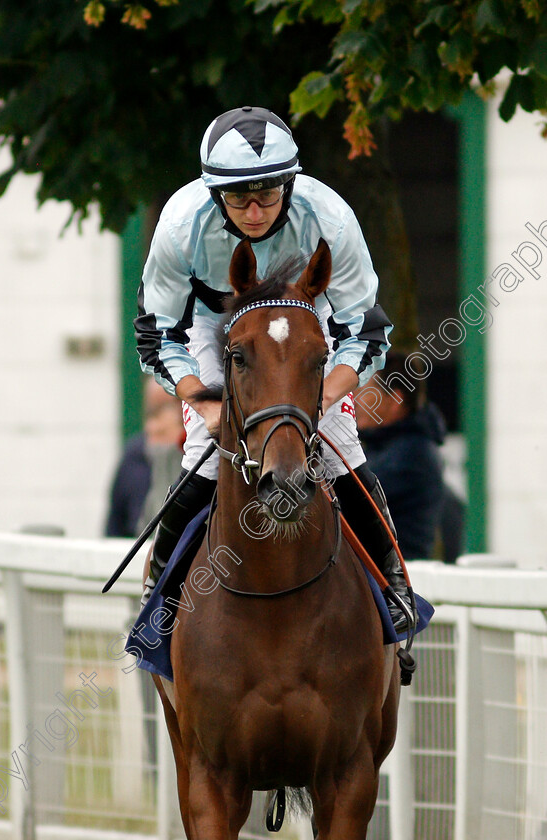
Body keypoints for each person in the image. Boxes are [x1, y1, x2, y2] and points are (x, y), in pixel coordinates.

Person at [134, 106, 413, 630]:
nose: (255, 210)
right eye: (239, 197)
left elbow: (365, 331)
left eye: (268, 193)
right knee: (205, 454)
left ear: (291, 182)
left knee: (341, 447)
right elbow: (158, 333)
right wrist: (202, 399)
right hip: (210, 321)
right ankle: (161, 595)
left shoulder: (329, 219)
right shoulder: (178, 227)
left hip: (307, 316)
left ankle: (393, 584)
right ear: (215, 193)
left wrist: (322, 399)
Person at [355, 352, 448, 560]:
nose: (355, 400)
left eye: (364, 390)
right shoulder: (384, 448)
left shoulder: (413, 455)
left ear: (396, 399)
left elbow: (351, 500)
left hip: (395, 585)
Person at [105, 378, 184, 538]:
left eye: (167, 407)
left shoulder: (201, 459)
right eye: (152, 413)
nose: (153, 425)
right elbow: (115, 525)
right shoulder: (133, 455)